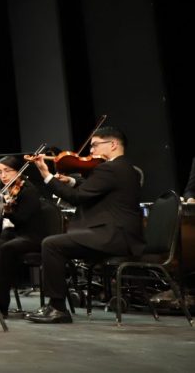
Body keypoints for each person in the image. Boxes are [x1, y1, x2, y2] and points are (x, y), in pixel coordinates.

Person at [24, 126, 144, 324]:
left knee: (51, 245)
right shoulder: (124, 168)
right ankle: (55, 305)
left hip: (113, 236)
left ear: (113, 144)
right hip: (122, 235)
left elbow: (77, 197)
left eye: (95, 145)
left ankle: (57, 308)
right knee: (55, 243)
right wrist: (71, 181)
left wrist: (46, 175)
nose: (91, 151)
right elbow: (94, 188)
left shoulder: (109, 168)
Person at [0, 154, 49, 318]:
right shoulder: (10, 190)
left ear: (18, 171)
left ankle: (0, 306)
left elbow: (22, 219)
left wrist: (6, 210)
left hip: (33, 236)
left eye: (7, 171)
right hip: (16, 235)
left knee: (6, 249)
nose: (3, 176)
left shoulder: (29, 190)